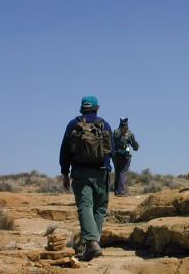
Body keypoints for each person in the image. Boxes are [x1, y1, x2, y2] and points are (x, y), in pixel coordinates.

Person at [59, 96, 113, 261]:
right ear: (97, 108)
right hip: (102, 172)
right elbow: (112, 151)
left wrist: (64, 172)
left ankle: (91, 243)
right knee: (100, 208)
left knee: (85, 206)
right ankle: (93, 243)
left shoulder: (73, 124)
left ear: (82, 108)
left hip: (80, 172)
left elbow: (65, 151)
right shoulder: (105, 124)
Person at [113, 118, 139, 196]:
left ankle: (117, 191)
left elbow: (111, 142)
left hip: (115, 155)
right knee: (123, 172)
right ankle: (121, 192)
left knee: (117, 172)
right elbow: (135, 145)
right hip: (125, 156)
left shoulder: (114, 132)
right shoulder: (129, 133)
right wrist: (136, 147)